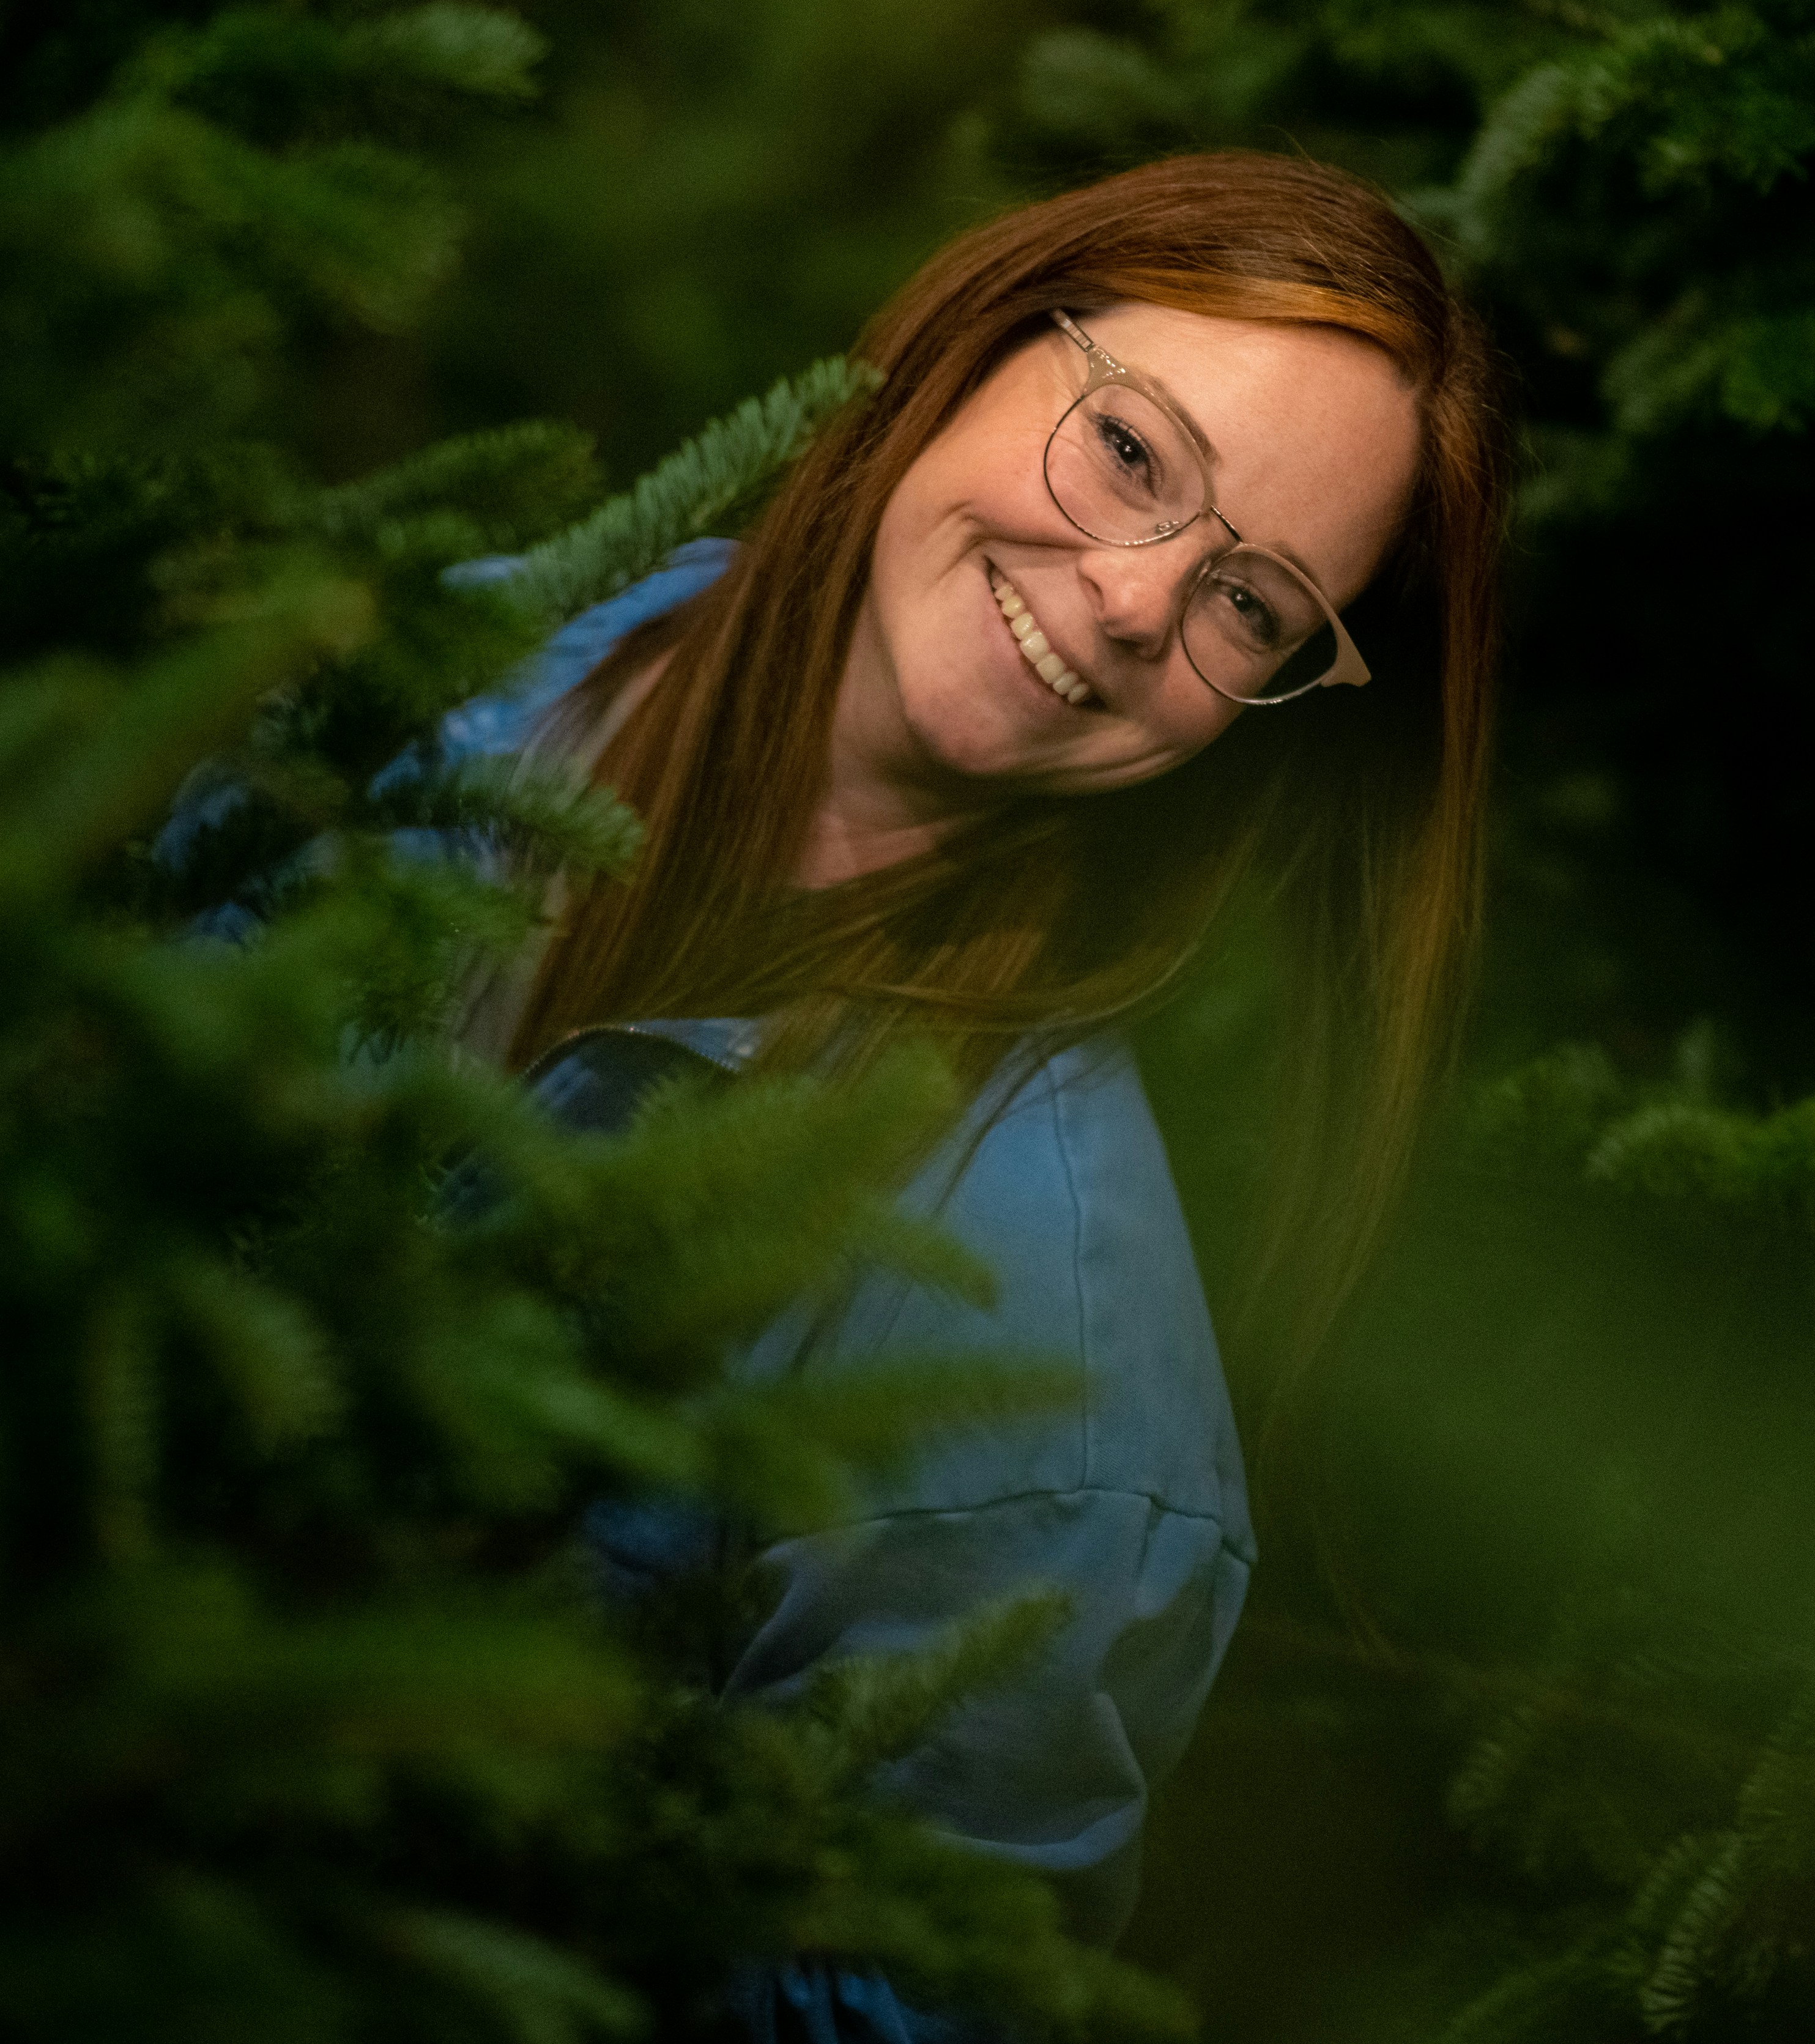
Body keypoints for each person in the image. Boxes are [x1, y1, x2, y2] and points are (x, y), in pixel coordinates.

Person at [204, 153, 1505, 2034]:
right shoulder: (446, 654)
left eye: (1254, 603)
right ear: (975, 339)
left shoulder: (1045, 1350)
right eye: (1134, 454)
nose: (1138, 602)